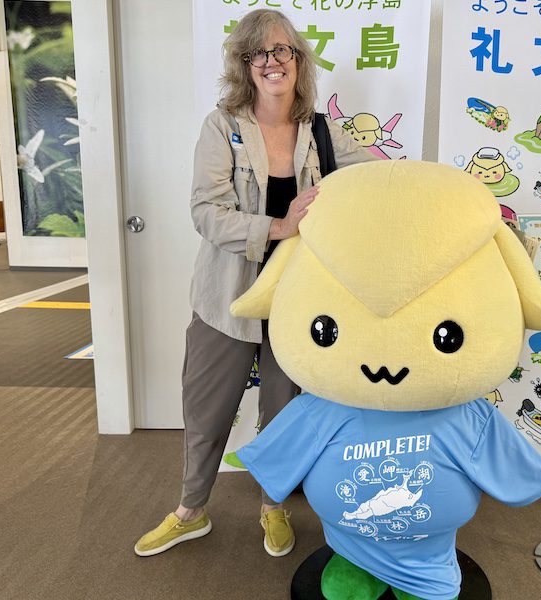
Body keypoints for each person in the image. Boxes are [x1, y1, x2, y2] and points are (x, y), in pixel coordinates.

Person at [134, 8, 375, 559]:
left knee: (284, 413)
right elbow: (206, 211)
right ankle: (190, 511)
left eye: (282, 51)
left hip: (299, 301)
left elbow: (378, 180)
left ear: (298, 60)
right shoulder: (222, 126)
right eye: (257, 54)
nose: (271, 62)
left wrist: (453, 191)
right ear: (244, 66)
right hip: (229, 297)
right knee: (206, 408)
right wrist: (278, 226)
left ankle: (273, 506)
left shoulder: (322, 132)